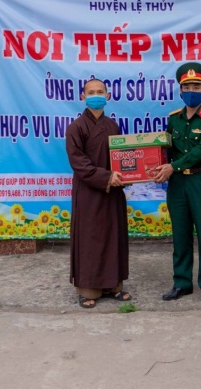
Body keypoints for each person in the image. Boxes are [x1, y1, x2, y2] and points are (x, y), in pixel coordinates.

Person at [153, 62, 201, 307]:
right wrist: (155, 165)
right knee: (180, 234)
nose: (192, 90)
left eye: (197, 86)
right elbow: (167, 149)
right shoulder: (174, 119)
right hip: (178, 183)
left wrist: (172, 166)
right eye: (187, 86)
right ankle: (181, 282)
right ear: (180, 89)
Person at [65, 78, 131, 309]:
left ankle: (113, 285)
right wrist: (106, 177)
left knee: (113, 235)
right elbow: (79, 163)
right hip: (89, 192)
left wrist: (127, 175)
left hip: (113, 191)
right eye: (91, 92)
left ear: (108, 96)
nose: (96, 95)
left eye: (100, 91)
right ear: (82, 97)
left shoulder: (113, 126)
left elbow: (122, 157)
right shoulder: (76, 128)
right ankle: (88, 289)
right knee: (90, 238)